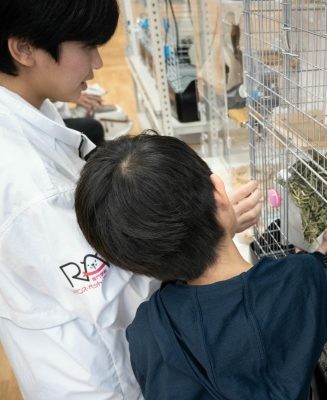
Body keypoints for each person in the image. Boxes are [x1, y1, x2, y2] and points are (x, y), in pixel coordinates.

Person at [0, 1, 261, 398]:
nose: (98, 62)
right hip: (93, 373)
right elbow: (111, 301)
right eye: (87, 46)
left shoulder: (31, 108)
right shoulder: (30, 185)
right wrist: (208, 234)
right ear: (23, 49)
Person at [74, 133, 327, 400]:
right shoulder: (302, 278)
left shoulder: (147, 329)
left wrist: (220, 225)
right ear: (219, 192)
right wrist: (311, 257)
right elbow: (326, 308)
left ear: (133, 262)